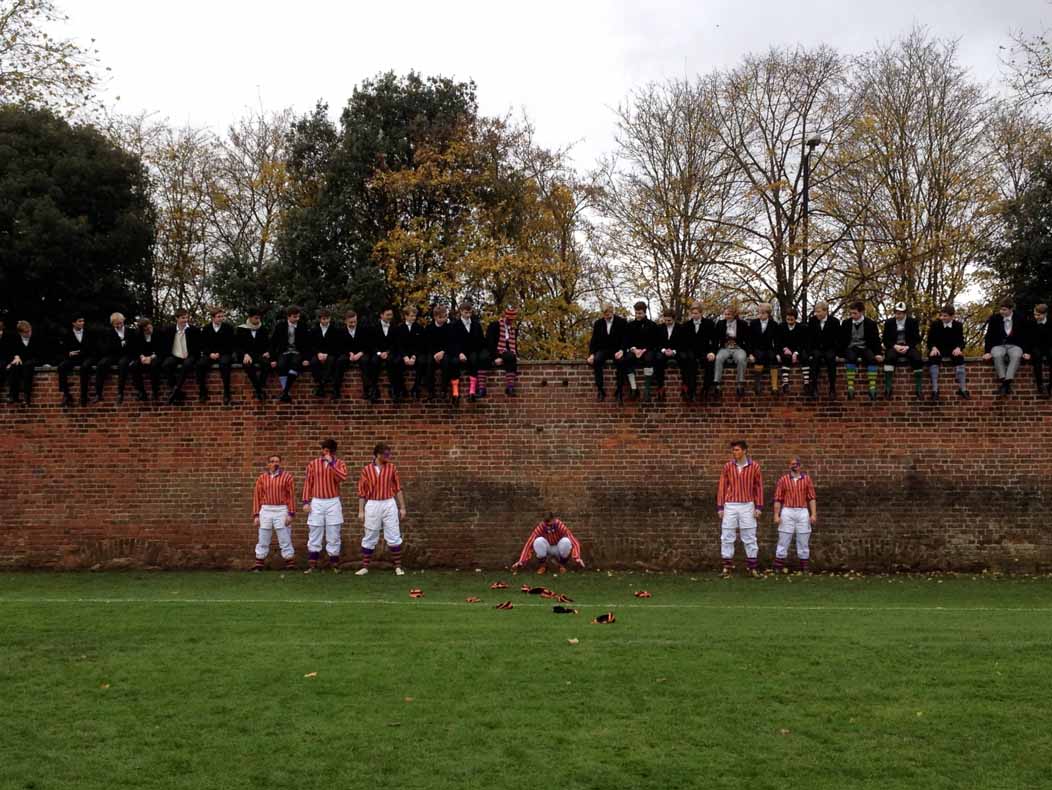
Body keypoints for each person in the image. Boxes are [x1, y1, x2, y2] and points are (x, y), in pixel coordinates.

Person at [355, 442, 408, 576]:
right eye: (385, 454)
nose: (388, 456)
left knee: (393, 534)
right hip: (373, 503)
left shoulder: (392, 468)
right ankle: (365, 566)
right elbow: (362, 492)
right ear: (378, 454)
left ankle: (398, 567)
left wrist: (402, 507)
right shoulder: (366, 470)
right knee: (370, 535)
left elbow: (398, 489)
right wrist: (361, 511)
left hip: (389, 503)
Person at [716, 439, 763, 576]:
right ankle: (727, 568)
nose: (734, 452)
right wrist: (720, 507)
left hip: (748, 504)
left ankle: (753, 568)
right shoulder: (728, 467)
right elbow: (722, 487)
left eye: (737, 450)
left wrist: (758, 506)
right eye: (733, 450)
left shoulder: (754, 467)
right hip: (730, 505)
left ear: (744, 451)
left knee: (749, 536)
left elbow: (758, 487)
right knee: (727, 535)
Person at [302, 438, 348, 573]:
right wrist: (306, 501)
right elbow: (308, 483)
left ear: (332, 451)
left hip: (333, 501)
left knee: (333, 532)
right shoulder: (313, 464)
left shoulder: (339, 463)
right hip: (317, 501)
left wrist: (332, 464)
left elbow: (342, 477)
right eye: (323, 449)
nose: (324, 452)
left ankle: (334, 564)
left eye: (327, 450)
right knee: (315, 530)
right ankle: (312, 565)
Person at [251, 453, 297, 572]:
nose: (274, 463)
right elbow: (257, 496)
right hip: (266, 509)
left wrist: (291, 513)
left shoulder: (287, 477)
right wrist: (256, 515)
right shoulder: (262, 478)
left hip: (281, 509)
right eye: (272, 461)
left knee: (284, 537)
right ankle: (259, 564)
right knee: (263, 536)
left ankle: (290, 564)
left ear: (280, 463)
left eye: (277, 461)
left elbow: (291, 496)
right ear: (268, 464)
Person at [772, 457, 817, 573]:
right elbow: (778, 498)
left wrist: (813, 514)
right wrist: (776, 515)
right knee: (784, 538)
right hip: (787, 510)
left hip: (802, 511)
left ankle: (804, 567)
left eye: (796, 464)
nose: (794, 466)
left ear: (800, 466)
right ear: (789, 466)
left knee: (803, 538)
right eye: (792, 464)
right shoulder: (783, 480)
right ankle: (778, 566)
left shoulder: (806, 479)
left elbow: (811, 498)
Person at [511, 513, 585, 574]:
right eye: (547, 525)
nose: (548, 527)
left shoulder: (559, 525)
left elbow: (574, 541)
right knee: (538, 541)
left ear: (554, 520)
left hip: (558, 548)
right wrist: (521, 561)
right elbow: (529, 543)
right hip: (547, 547)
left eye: (550, 524)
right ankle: (543, 566)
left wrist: (577, 558)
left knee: (566, 541)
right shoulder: (541, 527)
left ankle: (561, 565)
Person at [983, 299, 1029, 396]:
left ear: (1011, 309)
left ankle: (1005, 384)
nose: (1001, 312)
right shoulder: (994, 319)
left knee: (1016, 356)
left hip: (1015, 345)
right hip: (998, 345)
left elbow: (1026, 336)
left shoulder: (1021, 318)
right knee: (997, 355)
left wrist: (1026, 351)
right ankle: (1005, 382)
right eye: (1001, 309)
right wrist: (987, 351)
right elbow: (989, 336)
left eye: (1004, 310)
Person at [838, 301, 883, 401]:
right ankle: (850, 387)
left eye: (855, 313)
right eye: (851, 313)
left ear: (861, 312)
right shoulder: (846, 323)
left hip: (865, 347)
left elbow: (876, 340)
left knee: (871, 359)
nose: (852, 315)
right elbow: (841, 340)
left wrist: (878, 353)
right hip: (851, 347)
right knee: (851, 358)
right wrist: (839, 354)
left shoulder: (870, 323)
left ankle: (872, 387)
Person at [881, 302, 924, 399]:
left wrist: (907, 346)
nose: (897, 315)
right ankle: (888, 388)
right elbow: (885, 339)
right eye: (896, 313)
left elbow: (916, 339)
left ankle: (918, 388)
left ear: (905, 313)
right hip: (894, 347)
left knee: (917, 359)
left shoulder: (912, 322)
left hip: (908, 347)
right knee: (889, 358)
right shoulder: (889, 322)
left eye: (900, 313)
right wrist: (894, 346)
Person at [926, 306, 969, 400]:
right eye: (941, 315)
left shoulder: (958, 325)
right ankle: (935, 390)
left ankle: (963, 389)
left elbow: (961, 341)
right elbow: (929, 340)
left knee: (959, 358)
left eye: (945, 316)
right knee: (933, 359)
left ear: (952, 316)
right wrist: (933, 348)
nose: (942, 318)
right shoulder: (935, 324)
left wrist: (958, 348)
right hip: (938, 349)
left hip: (952, 349)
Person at [586, 304, 628, 402]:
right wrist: (591, 354)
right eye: (604, 314)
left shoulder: (621, 322)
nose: (606, 316)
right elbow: (594, 341)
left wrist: (622, 350)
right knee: (597, 361)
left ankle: (619, 390)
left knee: (621, 362)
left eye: (608, 313)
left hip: (617, 349)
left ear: (612, 311)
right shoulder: (598, 323)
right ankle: (600, 390)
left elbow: (625, 339)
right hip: (603, 349)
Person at [269, 305, 310, 403]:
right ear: (289, 316)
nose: (297, 319)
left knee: (295, 364)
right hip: (284, 352)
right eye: (295, 317)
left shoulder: (302, 326)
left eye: (298, 316)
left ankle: (285, 392)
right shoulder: (280, 326)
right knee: (281, 365)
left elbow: (307, 344)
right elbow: (273, 343)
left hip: (297, 352)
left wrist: (306, 358)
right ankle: (286, 393)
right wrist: (272, 359)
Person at [449, 301, 488, 403]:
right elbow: (452, 342)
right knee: (453, 362)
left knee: (474, 359)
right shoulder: (454, 325)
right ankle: (455, 392)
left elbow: (481, 341)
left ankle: (472, 391)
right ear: (461, 312)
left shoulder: (476, 325)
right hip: (458, 352)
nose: (468, 315)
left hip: (472, 351)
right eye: (466, 312)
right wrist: (459, 353)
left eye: (470, 313)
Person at [93, 312, 136, 404]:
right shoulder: (108, 332)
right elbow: (107, 348)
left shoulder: (131, 331)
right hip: (113, 355)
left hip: (126, 355)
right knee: (101, 364)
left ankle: (120, 393)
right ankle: (98, 393)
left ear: (123, 320)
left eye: (120, 323)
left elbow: (134, 347)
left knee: (123, 364)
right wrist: (119, 344)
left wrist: (126, 346)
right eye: (116, 324)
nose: (119, 325)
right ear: (112, 324)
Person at [161, 308, 200, 404]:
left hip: (189, 355)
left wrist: (191, 353)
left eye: (186, 317)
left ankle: (176, 390)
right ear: (177, 319)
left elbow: (198, 346)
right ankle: (175, 389)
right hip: (175, 355)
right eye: (183, 318)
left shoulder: (194, 330)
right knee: (166, 364)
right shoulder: (169, 329)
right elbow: (166, 345)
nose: (185, 320)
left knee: (187, 365)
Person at [621, 301, 658, 402]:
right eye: (636, 313)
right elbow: (626, 341)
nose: (638, 315)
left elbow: (654, 342)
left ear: (645, 312)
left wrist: (643, 350)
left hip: (647, 350)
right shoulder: (630, 325)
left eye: (640, 313)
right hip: (634, 350)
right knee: (626, 359)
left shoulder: (652, 325)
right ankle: (634, 388)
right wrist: (634, 349)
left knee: (649, 359)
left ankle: (646, 389)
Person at [196, 307, 234, 405]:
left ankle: (226, 392)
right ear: (213, 318)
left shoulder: (228, 328)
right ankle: (202, 391)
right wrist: (210, 354)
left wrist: (219, 353)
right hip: (210, 354)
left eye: (222, 316)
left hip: (224, 353)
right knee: (200, 365)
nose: (221, 318)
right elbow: (202, 345)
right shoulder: (206, 328)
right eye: (219, 316)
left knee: (224, 364)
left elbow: (230, 344)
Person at [57, 315, 96, 407]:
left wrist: (81, 352)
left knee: (84, 367)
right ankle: (66, 395)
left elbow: (93, 348)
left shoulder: (89, 333)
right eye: (79, 321)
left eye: (83, 321)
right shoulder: (67, 334)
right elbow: (62, 350)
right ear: (73, 323)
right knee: (61, 367)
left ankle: (83, 396)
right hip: (73, 358)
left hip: (87, 357)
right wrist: (69, 353)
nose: (82, 323)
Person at [331, 310, 370, 401]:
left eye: (355, 321)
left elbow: (368, 345)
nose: (353, 324)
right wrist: (350, 353)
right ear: (345, 321)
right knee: (339, 361)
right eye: (351, 322)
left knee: (365, 362)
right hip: (347, 353)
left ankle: (367, 390)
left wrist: (360, 353)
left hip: (361, 353)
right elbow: (339, 346)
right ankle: (336, 390)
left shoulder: (363, 329)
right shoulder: (340, 331)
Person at [679, 301, 714, 401]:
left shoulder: (709, 324)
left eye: (696, 313)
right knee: (690, 364)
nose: (694, 315)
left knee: (710, 363)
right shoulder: (686, 325)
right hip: (691, 351)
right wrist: (686, 352)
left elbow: (714, 340)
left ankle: (706, 389)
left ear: (701, 313)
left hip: (705, 351)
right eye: (693, 313)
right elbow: (683, 342)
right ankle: (691, 391)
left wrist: (712, 352)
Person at [234, 309, 270, 401]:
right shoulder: (241, 329)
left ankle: (259, 387)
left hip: (259, 354)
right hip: (246, 354)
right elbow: (237, 346)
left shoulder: (263, 329)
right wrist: (244, 354)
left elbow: (268, 344)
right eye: (256, 318)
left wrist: (267, 352)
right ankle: (259, 391)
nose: (258, 320)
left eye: (259, 318)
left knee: (266, 364)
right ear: (250, 318)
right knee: (248, 365)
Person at [712, 305, 749, 396]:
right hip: (725, 348)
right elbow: (715, 339)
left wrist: (749, 352)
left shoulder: (742, 324)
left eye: (729, 314)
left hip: (738, 348)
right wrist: (714, 351)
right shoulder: (720, 323)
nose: (727, 316)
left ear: (734, 315)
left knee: (741, 358)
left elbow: (748, 339)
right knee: (719, 358)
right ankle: (717, 384)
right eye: (725, 314)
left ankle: (740, 384)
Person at [806, 302, 840, 399]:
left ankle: (832, 388)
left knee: (831, 360)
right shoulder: (812, 321)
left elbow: (838, 339)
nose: (817, 314)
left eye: (819, 312)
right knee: (815, 360)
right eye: (816, 312)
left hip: (829, 348)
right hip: (816, 349)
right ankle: (814, 388)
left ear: (826, 311)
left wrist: (836, 352)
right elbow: (809, 338)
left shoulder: (834, 322)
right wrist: (810, 352)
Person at [369, 307, 403, 403]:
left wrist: (387, 352)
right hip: (377, 352)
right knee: (373, 362)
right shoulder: (374, 327)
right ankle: (374, 389)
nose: (390, 317)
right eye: (387, 315)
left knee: (392, 362)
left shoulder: (395, 327)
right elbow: (372, 344)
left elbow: (396, 343)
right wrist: (380, 353)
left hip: (390, 352)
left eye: (391, 315)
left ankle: (394, 390)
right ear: (381, 315)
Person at [485, 306, 520, 397]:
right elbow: (490, 343)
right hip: (496, 352)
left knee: (512, 357)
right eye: (509, 319)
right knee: (510, 357)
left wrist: (516, 354)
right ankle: (509, 387)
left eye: (512, 320)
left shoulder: (513, 329)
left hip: (507, 354)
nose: (510, 321)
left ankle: (510, 387)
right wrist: (496, 357)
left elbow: (513, 345)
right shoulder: (494, 325)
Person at [423, 305, 455, 402]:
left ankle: (444, 390)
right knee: (428, 362)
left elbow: (451, 343)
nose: (443, 319)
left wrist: (443, 352)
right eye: (441, 317)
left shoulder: (449, 328)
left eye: (445, 316)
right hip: (432, 353)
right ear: (435, 317)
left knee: (446, 362)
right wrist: (434, 354)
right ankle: (430, 391)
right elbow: (427, 344)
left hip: (445, 352)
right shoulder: (429, 328)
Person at [652, 308, 685, 401]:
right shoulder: (659, 328)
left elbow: (683, 344)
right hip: (663, 351)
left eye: (669, 320)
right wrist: (663, 350)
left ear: (674, 319)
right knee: (658, 359)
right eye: (665, 320)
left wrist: (674, 351)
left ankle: (685, 386)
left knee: (684, 358)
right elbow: (656, 343)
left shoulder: (680, 328)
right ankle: (660, 387)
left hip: (676, 351)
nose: (667, 322)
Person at [748, 303, 780, 396]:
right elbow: (749, 340)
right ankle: (757, 385)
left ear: (768, 314)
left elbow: (777, 341)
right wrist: (750, 354)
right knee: (759, 357)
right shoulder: (753, 323)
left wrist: (777, 353)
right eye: (759, 313)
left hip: (769, 348)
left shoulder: (774, 324)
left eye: (762, 313)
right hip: (756, 348)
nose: (760, 315)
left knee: (773, 358)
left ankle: (774, 386)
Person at [394, 306, 425, 400]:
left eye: (414, 316)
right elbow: (398, 345)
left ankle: (415, 389)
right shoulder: (399, 328)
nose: (413, 318)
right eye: (411, 316)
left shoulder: (419, 328)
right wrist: (405, 356)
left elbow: (420, 344)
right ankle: (401, 389)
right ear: (406, 316)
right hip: (404, 355)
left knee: (422, 363)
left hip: (416, 354)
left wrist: (414, 356)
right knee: (395, 363)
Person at [776, 308, 810, 393]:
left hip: (798, 349)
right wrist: (784, 348)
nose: (789, 321)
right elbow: (778, 341)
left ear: (795, 318)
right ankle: (785, 383)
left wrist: (796, 352)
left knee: (805, 357)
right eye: (788, 319)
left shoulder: (801, 327)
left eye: (792, 319)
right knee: (786, 358)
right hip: (785, 349)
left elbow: (803, 342)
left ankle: (806, 383)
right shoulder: (781, 327)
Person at [308, 308, 340, 398]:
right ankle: (320, 383)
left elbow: (337, 345)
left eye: (327, 318)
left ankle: (321, 385)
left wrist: (327, 354)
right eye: (323, 319)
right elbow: (311, 345)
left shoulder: (335, 330)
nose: (325, 320)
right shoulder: (314, 330)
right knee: (313, 362)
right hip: (317, 354)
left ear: (330, 318)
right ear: (320, 319)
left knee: (331, 361)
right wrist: (318, 353)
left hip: (330, 354)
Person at [6, 320, 40, 405]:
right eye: (26, 332)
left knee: (27, 366)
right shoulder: (15, 339)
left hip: (34, 360)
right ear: (20, 333)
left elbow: (39, 353)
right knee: (15, 366)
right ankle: (13, 395)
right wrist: (16, 356)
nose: (29, 333)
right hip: (22, 361)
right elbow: (10, 351)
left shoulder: (36, 337)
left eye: (29, 331)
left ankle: (26, 395)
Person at [131, 318, 161, 401]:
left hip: (156, 356)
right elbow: (135, 348)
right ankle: (142, 392)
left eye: (150, 327)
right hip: (143, 356)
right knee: (134, 366)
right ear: (142, 329)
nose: (149, 330)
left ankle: (155, 391)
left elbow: (161, 349)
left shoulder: (158, 332)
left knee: (154, 366)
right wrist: (142, 357)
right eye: (147, 329)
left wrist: (151, 357)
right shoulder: (137, 334)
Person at [1030, 303, 1052, 396]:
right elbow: (1028, 338)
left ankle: (1050, 386)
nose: (1036, 317)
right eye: (1035, 314)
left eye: (1039, 315)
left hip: (1049, 346)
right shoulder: (1031, 322)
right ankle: (1040, 384)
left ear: (1045, 314)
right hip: (1036, 347)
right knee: (1037, 359)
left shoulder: (1050, 322)